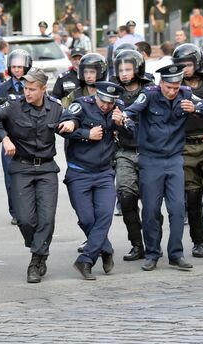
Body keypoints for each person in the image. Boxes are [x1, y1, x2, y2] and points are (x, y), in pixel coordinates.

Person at [0, 68, 66, 283]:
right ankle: (39, 246)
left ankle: (37, 259)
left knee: (46, 218)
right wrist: (5, 139)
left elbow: (71, 122)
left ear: (43, 89)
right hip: (21, 168)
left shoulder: (55, 108)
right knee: (25, 219)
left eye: (32, 89)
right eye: (25, 88)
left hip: (47, 169)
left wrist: (74, 124)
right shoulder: (13, 106)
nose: (27, 93)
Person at [123, 64, 203, 271]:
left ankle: (176, 254)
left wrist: (196, 109)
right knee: (151, 210)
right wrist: (122, 119)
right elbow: (130, 111)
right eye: (168, 86)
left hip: (175, 159)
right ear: (161, 83)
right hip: (151, 159)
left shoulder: (186, 94)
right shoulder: (149, 95)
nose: (172, 91)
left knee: (177, 209)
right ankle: (152, 253)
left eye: (176, 87)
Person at [59, 81, 132, 280]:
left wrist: (121, 123)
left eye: (111, 103)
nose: (107, 106)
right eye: (104, 101)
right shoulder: (81, 105)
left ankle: (86, 260)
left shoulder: (118, 109)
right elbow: (62, 127)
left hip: (104, 173)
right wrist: (85, 133)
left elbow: (133, 134)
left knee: (104, 214)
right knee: (86, 219)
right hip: (79, 172)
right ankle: (106, 249)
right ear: (96, 95)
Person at [108, 50, 154, 262]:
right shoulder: (113, 93)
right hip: (124, 151)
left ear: (138, 69)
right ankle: (136, 244)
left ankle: (153, 244)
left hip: (149, 152)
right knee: (126, 199)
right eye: (121, 70)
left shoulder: (151, 90)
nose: (124, 74)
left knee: (151, 203)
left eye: (129, 69)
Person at [172, 44, 203, 258]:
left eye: (189, 64)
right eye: (181, 65)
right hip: (185, 146)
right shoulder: (172, 87)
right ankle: (198, 241)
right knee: (192, 198)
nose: (185, 69)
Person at [0, 49, 32, 226]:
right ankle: (15, 211)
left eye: (21, 66)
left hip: (30, 139)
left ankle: (30, 208)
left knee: (30, 175)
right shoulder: (1, 89)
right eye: (14, 66)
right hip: (9, 139)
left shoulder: (33, 86)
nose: (17, 70)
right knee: (11, 177)